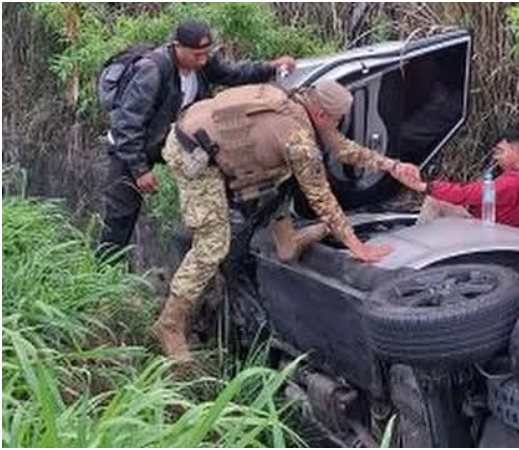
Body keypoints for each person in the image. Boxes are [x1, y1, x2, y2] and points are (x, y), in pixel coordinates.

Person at [152, 80, 420, 361]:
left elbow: (341, 147)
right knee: (213, 245)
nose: (338, 125)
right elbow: (320, 196)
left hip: (218, 140)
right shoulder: (297, 138)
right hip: (193, 151)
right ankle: (170, 324)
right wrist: (356, 245)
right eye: (337, 120)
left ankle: (288, 243)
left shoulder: (298, 104)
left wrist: (392, 166)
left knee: (280, 175)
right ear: (322, 115)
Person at [98, 20, 297, 258]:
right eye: (196, 55)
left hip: (176, 140)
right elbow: (127, 125)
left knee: (227, 173)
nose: (202, 60)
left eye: (206, 54)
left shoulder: (202, 64)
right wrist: (140, 170)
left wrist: (270, 67)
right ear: (178, 46)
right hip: (132, 146)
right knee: (121, 215)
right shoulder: (152, 70)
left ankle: (231, 242)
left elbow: (233, 74)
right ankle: (105, 273)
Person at [409, 131, 519, 230]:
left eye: (500, 151)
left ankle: (416, 245)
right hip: (517, 236)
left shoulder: (514, 182)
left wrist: (425, 186)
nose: (496, 158)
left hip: (493, 235)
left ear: (518, 152)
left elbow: (467, 194)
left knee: (434, 200)